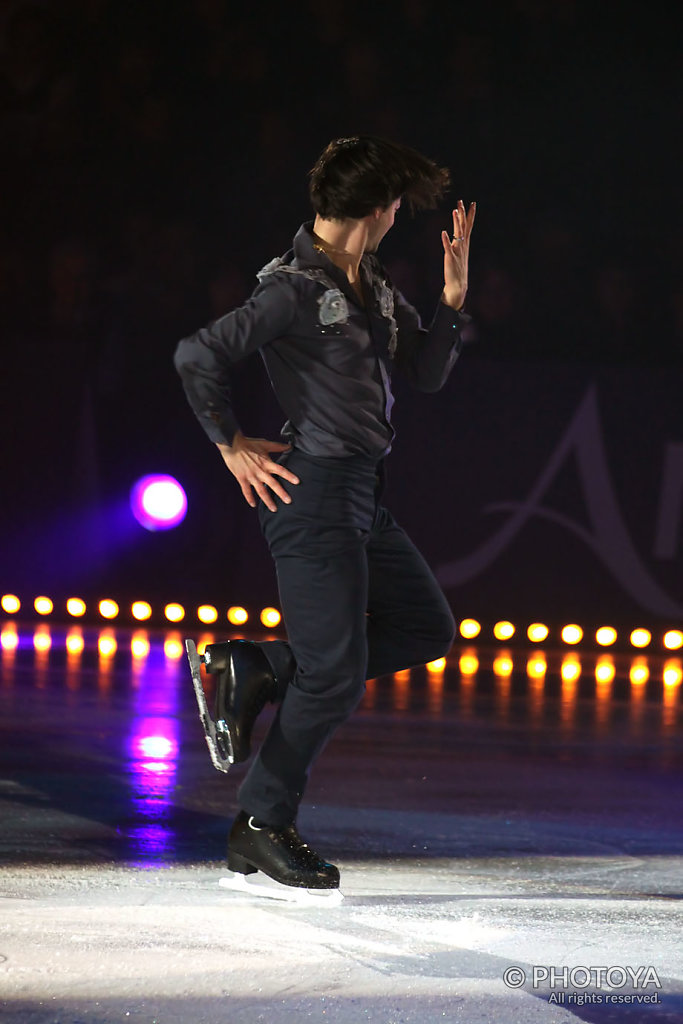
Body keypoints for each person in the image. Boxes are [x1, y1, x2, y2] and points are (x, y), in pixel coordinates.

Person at [174, 135, 475, 897]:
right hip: (310, 498)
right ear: (374, 209)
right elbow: (197, 355)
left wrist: (448, 304)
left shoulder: (370, 280)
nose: (398, 215)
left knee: (425, 627)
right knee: (335, 673)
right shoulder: (291, 289)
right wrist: (229, 444)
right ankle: (260, 824)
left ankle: (260, 666)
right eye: (396, 205)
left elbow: (429, 375)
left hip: (362, 495)